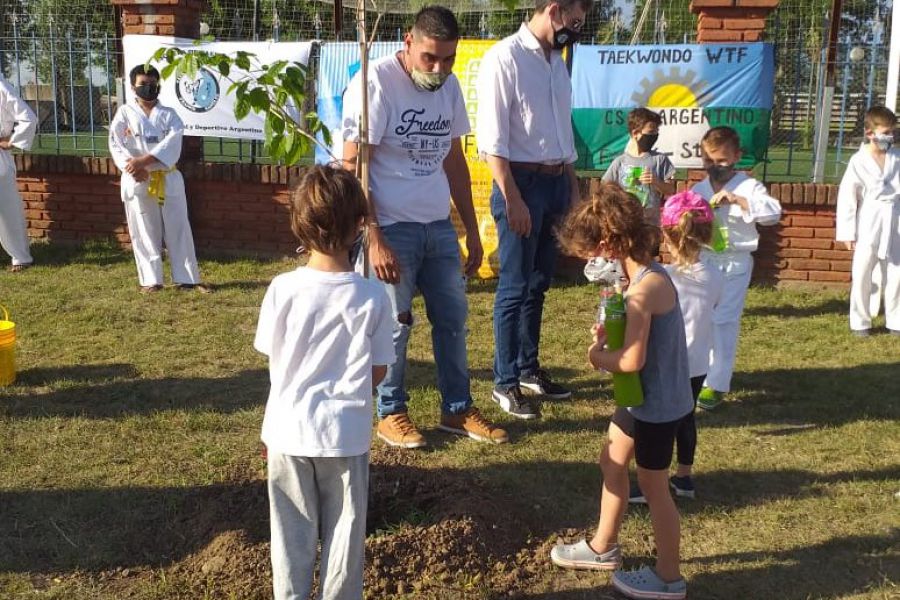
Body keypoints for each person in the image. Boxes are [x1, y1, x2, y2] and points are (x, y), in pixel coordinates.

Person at [342, 5, 507, 448]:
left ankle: (456, 410)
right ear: (408, 42)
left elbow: (453, 159)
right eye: (430, 58)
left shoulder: (449, 87)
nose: (438, 69)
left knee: (452, 320)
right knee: (394, 324)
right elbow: (355, 163)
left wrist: (470, 228)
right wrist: (372, 234)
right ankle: (390, 411)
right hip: (391, 227)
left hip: (437, 227)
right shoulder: (374, 84)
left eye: (449, 59)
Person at [255, 165, 395, 600]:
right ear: (359, 225)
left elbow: (274, 361)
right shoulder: (372, 296)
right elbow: (379, 371)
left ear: (299, 224)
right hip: (345, 437)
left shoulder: (281, 288)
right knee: (344, 543)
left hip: (288, 433)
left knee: (291, 540)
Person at [550, 181, 691, 600]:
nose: (590, 261)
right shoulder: (645, 276)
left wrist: (598, 355)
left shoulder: (643, 290)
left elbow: (631, 362)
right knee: (611, 461)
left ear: (609, 243)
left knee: (653, 487)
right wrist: (612, 336)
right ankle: (602, 546)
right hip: (641, 399)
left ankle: (669, 578)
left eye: (591, 252)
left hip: (658, 407)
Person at [476, 0, 591, 419]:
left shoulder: (557, 62)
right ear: (554, 10)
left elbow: (564, 129)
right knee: (514, 285)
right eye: (574, 21)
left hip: (556, 182)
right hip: (520, 184)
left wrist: (573, 190)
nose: (576, 30)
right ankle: (504, 381)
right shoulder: (504, 58)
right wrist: (513, 197)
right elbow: (492, 139)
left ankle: (527, 368)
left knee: (540, 282)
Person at [629, 190, 724, 504]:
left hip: (668, 362)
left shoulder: (661, 277)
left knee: (659, 423)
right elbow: (716, 305)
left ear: (666, 238)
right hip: (698, 363)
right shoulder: (714, 275)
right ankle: (684, 476)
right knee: (686, 418)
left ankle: (649, 482)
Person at [691, 126, 781, 410]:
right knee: (702, 317)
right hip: (705, 259)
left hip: (736, 261)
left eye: (722, 161)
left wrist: (739, 200)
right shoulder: (699, 188)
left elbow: (773, 214)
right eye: (709, 161)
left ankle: (717, 383)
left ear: (737, 156)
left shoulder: (748, 186)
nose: (715, 167)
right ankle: (700, 373)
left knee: (724, 319)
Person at [108, 64, 210, 294]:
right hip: (137, 178)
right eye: (143, 84)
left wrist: (143, 161)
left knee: (179, 227)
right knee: (143, 229)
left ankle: (187, 278)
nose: (148, 88)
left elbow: (173, 143)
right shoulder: (124, 113)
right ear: (133, 87)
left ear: (159, 86)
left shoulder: (170, 115)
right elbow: (116, 143)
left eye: (152, 84)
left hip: (167, 176)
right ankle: (151, 280)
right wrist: (133, 167)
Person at [836, 105, 900, 336]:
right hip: (870, 219)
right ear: (870, 133)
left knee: (897, 272)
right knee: (862, 271)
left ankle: (896, 320)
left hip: (895, 217)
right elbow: (848, 197)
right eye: (885, 132)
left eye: (892, 132)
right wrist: (846, 232)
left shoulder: (897, 157)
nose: (889, 137)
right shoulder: (858, 160)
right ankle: (860, 321)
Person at [602, 107, 676, 227]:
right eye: (651, 132)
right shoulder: (620, 161)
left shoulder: (659, 159)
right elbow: (605, 187)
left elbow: (671, 190)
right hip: (625, 224)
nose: (654, 135)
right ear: (635, 133)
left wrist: (656, 182)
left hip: (650, 226)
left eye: (656, 132)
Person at [0, 75, 37, 272]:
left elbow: (28, 117)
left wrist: (11, 141)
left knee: (7, 212)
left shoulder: (1, 87)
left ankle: (20, 257)